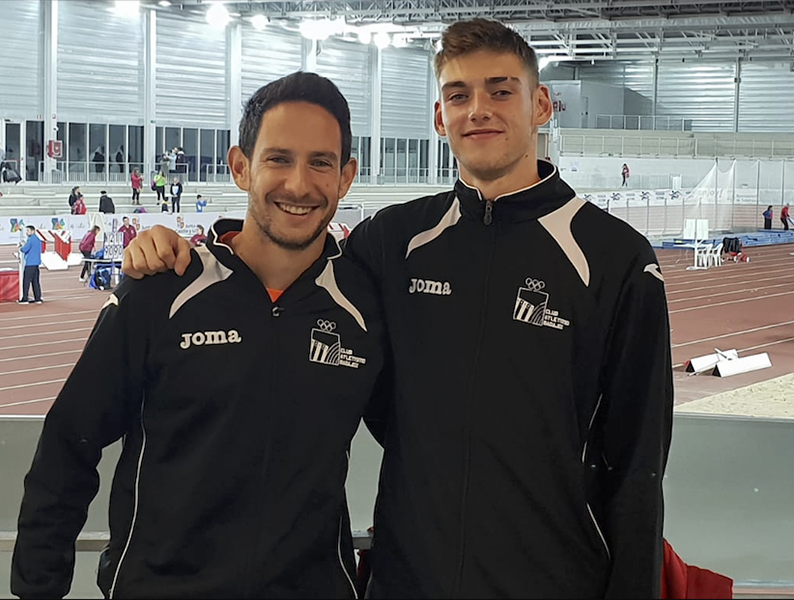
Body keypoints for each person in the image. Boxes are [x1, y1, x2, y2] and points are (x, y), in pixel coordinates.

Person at [124, 19, 673, 599]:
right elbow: (287, 273)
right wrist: (187, 252)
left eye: (501, 90)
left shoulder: (615, 258)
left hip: (556, 579)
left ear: (540, 104)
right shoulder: (393, 242)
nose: (478, 109)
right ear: (440, 118)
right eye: (458, 95)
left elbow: (638, 464)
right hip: (407, 578)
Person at [11, 71, 384, 599]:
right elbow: (70, 442)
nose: (299, 184)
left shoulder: (364, 308)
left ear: (346, 177)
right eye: (278, 158)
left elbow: (426, 444)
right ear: (241, 167)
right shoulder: (162, 292)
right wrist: (36, 589)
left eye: (320, 162)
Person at [18, 226, 43, 304]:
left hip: (30, 263)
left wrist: (21, 247)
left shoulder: (31, 240)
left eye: (28, 230)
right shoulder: (38, 240)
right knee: (35, 281)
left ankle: (25, 298)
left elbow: (25, 249)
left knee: (26, 281)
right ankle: (38, 298)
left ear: (32, 231)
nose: (27, 232)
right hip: (36, 263)